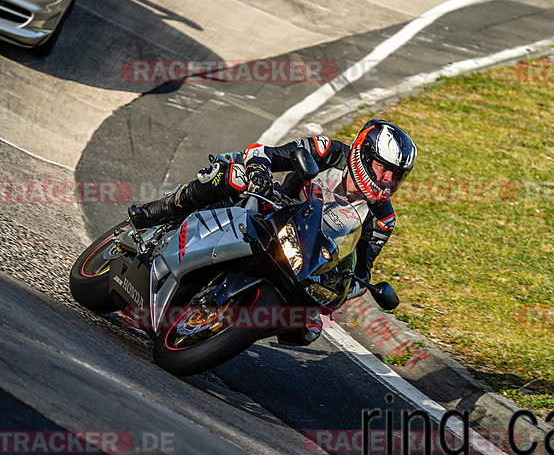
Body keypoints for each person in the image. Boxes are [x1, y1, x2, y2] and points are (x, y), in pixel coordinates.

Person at [128, 119, 417, 344]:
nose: (388, 180)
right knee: (234, 175)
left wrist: (340, 288)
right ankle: (159, 209)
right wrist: (259, 172)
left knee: (307, 328)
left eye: (397, 175)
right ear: (363, 155)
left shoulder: (382, 219)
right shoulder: (329, 151)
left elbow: (360, 272)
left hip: (305, 258)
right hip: (269, 210)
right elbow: (266, 153)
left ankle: (228, 324)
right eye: (383, 168)